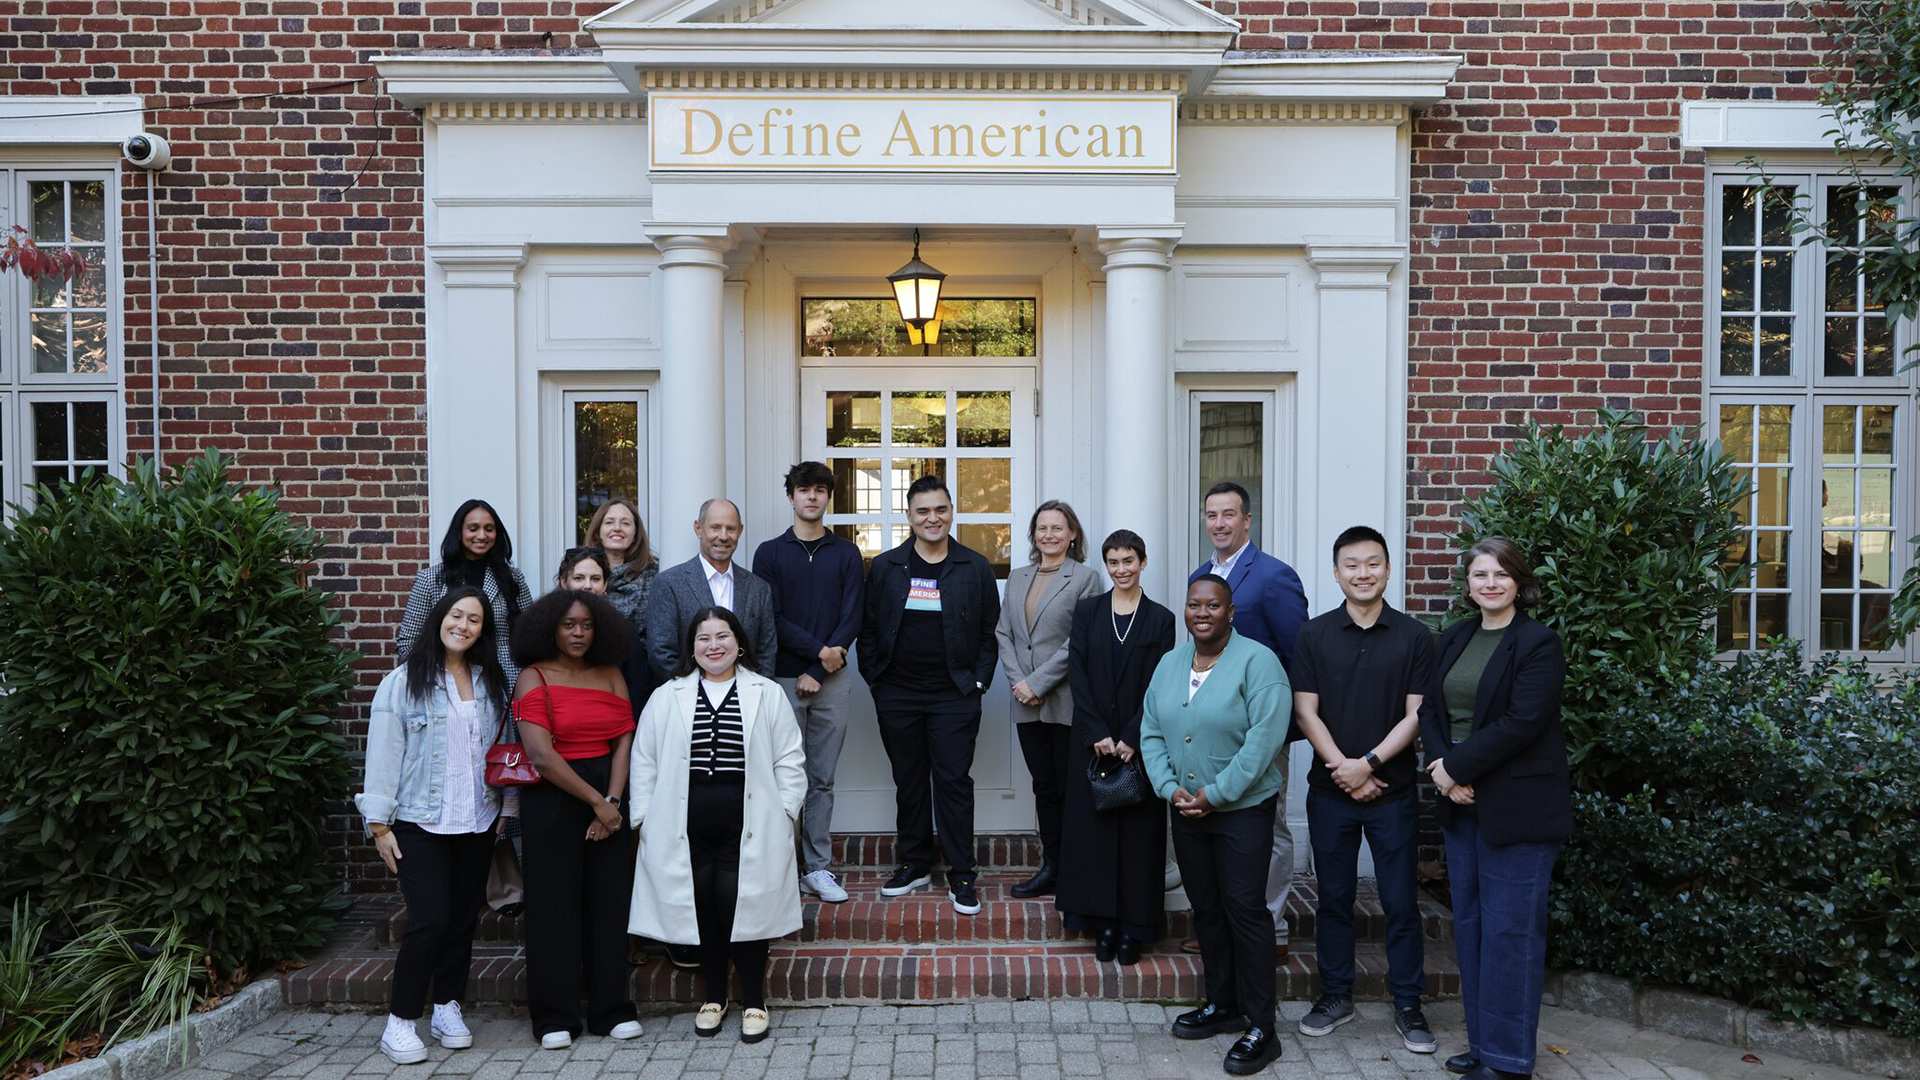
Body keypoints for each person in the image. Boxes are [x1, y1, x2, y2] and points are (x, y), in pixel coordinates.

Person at [1420, 538, 1571, 1080]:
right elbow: (1431, 708)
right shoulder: (1455, 638)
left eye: (1500, 574)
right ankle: (1484, 1046)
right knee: (1474, 927)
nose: (1490, 583)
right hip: (1461, 805)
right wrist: (1441, 766)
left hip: (1518, 810)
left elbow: (1522, 723)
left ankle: (1509, 1062)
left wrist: (1457, 770)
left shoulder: (1538, 643)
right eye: (1480, 574)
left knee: (1511, 934)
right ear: (1468, 584)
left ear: (1518, 582)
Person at [628, 607, 806, 1045]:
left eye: (722, 636)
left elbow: (790, 759)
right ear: (692, 647)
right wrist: (645, 818)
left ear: (739, 643)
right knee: (703, 907)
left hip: (749, 821)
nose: (713, 645)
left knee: (742, 907)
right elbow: (644, 760)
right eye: (703, 638)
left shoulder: (766, 692)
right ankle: (713, 998)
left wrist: (785, 811)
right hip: (684, 823)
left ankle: (754, 1002)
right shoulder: (667, 695)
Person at [1290, 526, 1437, 1052]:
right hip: (1331, 793)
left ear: (1388, 570)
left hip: (1393, 794)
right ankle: (1335, 996)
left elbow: (1418, 715)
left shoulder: (1415, 637)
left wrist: (1369, 764)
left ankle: (1408, 1004)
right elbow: (1305, 710)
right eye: (1351, 565)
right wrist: (1345, 769)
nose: (1363, 573)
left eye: (1372, 563)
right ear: (1336, 573)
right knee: (1334, 898)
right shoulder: (1314, 634)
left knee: (1400, 901)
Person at [1142, 575, 1291, 1076]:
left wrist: (1217, 794)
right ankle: (1222, 1004)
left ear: (1231, 612)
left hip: (1242, 811)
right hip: (1185, 808)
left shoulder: (1258, 662)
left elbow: (1264, 741)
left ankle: (1261, 1028)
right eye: (1194, 604)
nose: (1202, 612)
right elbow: (1151, 730)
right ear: (1185, 611)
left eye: (1213, 605)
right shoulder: (1169, 664)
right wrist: (1170, 788)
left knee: (1245, 911)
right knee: (1206, 909)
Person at [356, 587, 508, 1065]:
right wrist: (379, 825)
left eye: (474, 620)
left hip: (477, 819)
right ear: (440, 618)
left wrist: (506, 811)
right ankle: (400, 1022)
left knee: (462, 920)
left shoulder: (490, 683)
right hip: (420, 822)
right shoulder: (402, 682)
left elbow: (501, 751)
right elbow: (383, 753)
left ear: (484, 630)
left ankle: (446, 1007)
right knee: (429, 921)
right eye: (456, 616)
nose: (463, 625)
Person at [856, 474, 1001, 916]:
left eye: (940, 509)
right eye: (923, 511)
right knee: (910, 781)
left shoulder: (974, 567)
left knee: (954, 782)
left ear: (951, 511)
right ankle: (915, 863)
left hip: (954, 694)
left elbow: (988, 634)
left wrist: (977, 682)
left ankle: (961, 874)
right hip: (897, 692)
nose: (932, 518)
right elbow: (868, 630)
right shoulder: (885, 567)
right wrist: (876, 680)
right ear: (909, 516)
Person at [510, 589, 643, 1049]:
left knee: (608, 904)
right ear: (550, 628)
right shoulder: (533, 677)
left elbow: (625, 740)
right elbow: (541, 755)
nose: (579, 633)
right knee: (553, 908)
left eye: (587, 625)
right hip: (553, 799)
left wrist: (613, 800)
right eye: (569, 625)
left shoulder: (611, 674)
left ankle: (612, 1009)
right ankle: (554, 1017)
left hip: (607, 793)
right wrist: (598, 804)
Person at [1182, 481, 1308, 960]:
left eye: (1229, 514)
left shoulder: (1274, 577)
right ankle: (1222, 926)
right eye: (1211, 514)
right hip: (1210, 729)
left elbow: (1298, 656)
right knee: (1217, 826)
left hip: (1260, 729)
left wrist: (1283, 726)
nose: (1219, 523)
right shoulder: (1201, 575)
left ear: (1247, 520)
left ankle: (1269, 928)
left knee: (1266, 826)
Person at [1056, 529, 1176, 964]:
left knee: (1139, 839)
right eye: (1113, 562)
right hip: (1092, 742)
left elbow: (1159, 683)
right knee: (1095, 836)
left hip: (1138, 743)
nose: (1121, 569)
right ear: (1105, 566)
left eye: (1129, 560)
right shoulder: (1088, 611)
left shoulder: (1162, 619)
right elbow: (1078, 672)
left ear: (1144, 562)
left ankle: (1134, 926)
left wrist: (1131, 735)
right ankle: (1101, 921)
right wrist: (1097, 733)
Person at [751, 462, 865, 905]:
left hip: (832, 681)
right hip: (780, 678)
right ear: (791, 497)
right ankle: (781, 866)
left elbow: (853, 616)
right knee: (783, 776)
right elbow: (771, 617)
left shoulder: (847, 553)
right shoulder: (769, 553)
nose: (812, 497)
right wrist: (818, 654)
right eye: (804, 490)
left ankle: (817, 868)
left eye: (820, 490)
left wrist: (820, 670)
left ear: (827, 497)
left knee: (821, 777)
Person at [995, 500, 1103, 899]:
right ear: (1033, 533)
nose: (1050, 535)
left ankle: (1074, 869)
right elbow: (1003, 633)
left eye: (1058, 528)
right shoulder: (1018, 576)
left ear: (1072, 534)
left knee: (1069, 787)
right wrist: (1019, 681)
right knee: (1044, 786)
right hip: (1025, 701)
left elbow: (1081, 640)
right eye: (1042, 528)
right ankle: (1052, 865)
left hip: (1064, 699)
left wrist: (1038, 682)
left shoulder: (1086, 578)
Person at [399, 498, 535, 684]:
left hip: (504, 680)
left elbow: (531, 634)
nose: (482, 535)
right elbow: (409, 641)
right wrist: (428, 680)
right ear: (459, 531)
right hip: (444, 681)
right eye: (473, 528)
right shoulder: (431, 579)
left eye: (489, 529)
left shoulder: (512, 578)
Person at [646, 498, 778, 680]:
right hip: (688, 699)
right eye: (715, 527)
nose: (723, 536)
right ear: (698, 529)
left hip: (747, 701)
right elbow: (661, 653)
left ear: (740, 531)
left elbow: (766, 653)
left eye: (730, 529)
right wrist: (700, 693)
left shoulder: (759, 588)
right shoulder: (669, 583)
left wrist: (752, 692)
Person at [587, 498, 661, 716]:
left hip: (641, 685)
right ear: (598, 530)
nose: (617, 528)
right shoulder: (582, 574)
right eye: (609, 522)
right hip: (590, 679)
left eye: (625, 523)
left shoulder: (655, 575)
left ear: (636, 533)